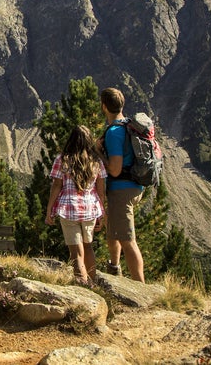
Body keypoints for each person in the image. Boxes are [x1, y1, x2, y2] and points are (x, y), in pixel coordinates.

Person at [45, 125, 107, 285]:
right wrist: (103, 213)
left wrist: (49, 209)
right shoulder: (96, 162)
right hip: (90, 209)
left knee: (76, 252)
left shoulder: (62, 159)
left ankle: (82, 283)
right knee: (88, 247)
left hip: (69, 209)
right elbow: (101, 191)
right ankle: (93, 284)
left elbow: (57, 186)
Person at [100, 87, 145, 282]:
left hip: (121, 189)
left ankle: (140, 287)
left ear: (104, 107)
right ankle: (114, 268)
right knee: (114, 229)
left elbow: (115, 169)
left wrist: (99, 153)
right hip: (135, 185)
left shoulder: (114, 132)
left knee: (128, 240)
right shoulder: (128, 126)